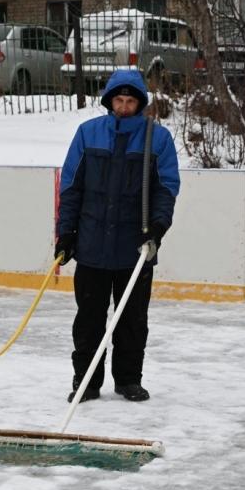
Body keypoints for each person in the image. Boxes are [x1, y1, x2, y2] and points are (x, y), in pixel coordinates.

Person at [54, 69, 180, 403]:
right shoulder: (88, 134)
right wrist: (66, 233)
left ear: (140, 104)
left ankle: (127, 380)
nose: (124, 107)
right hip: (92, 246)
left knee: (132, 321)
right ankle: (86, 381)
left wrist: (157, 227)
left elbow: (166, 189)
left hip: (136, 249)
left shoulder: (158, 139)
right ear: (109, 101)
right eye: (119, 100)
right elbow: (70, 187)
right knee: (89, 321)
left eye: (130, 101)